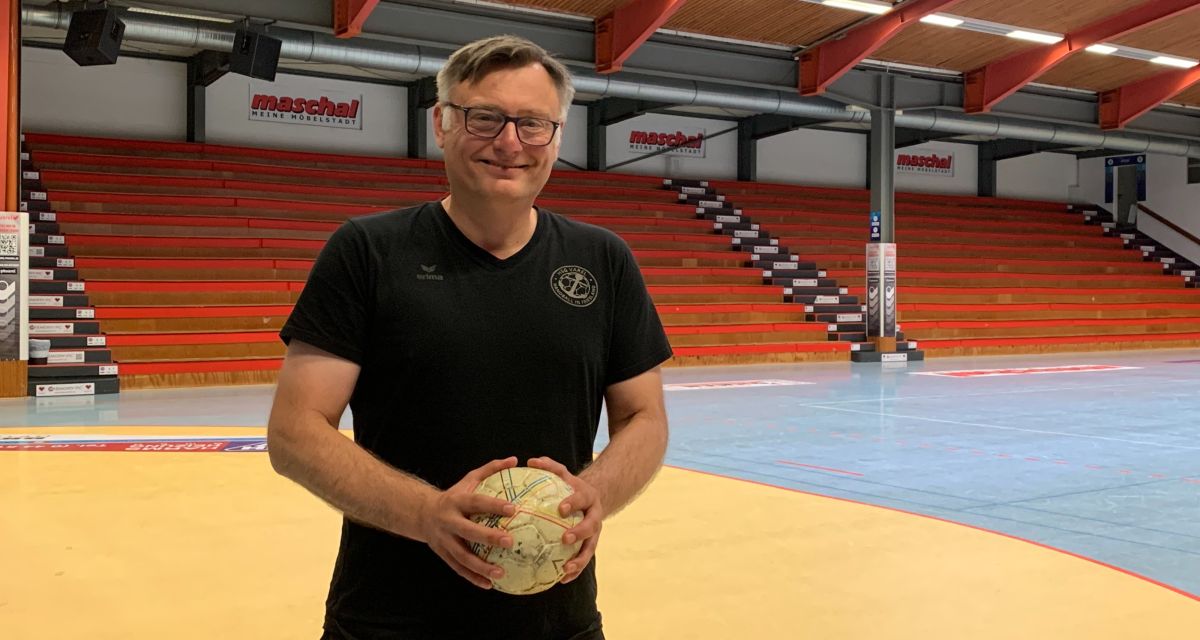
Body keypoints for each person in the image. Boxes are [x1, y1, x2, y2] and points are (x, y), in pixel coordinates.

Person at [267, 34, 673, 640]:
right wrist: (429, 516)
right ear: (441, 123)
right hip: (388, 621)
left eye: (533, 123)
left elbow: (646, 417)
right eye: (484, 117)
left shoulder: (604, 261)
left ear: (557, 136)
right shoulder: (368, 252)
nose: (510, 142)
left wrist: (595, 495)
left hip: (557, 621)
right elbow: (294, 433)